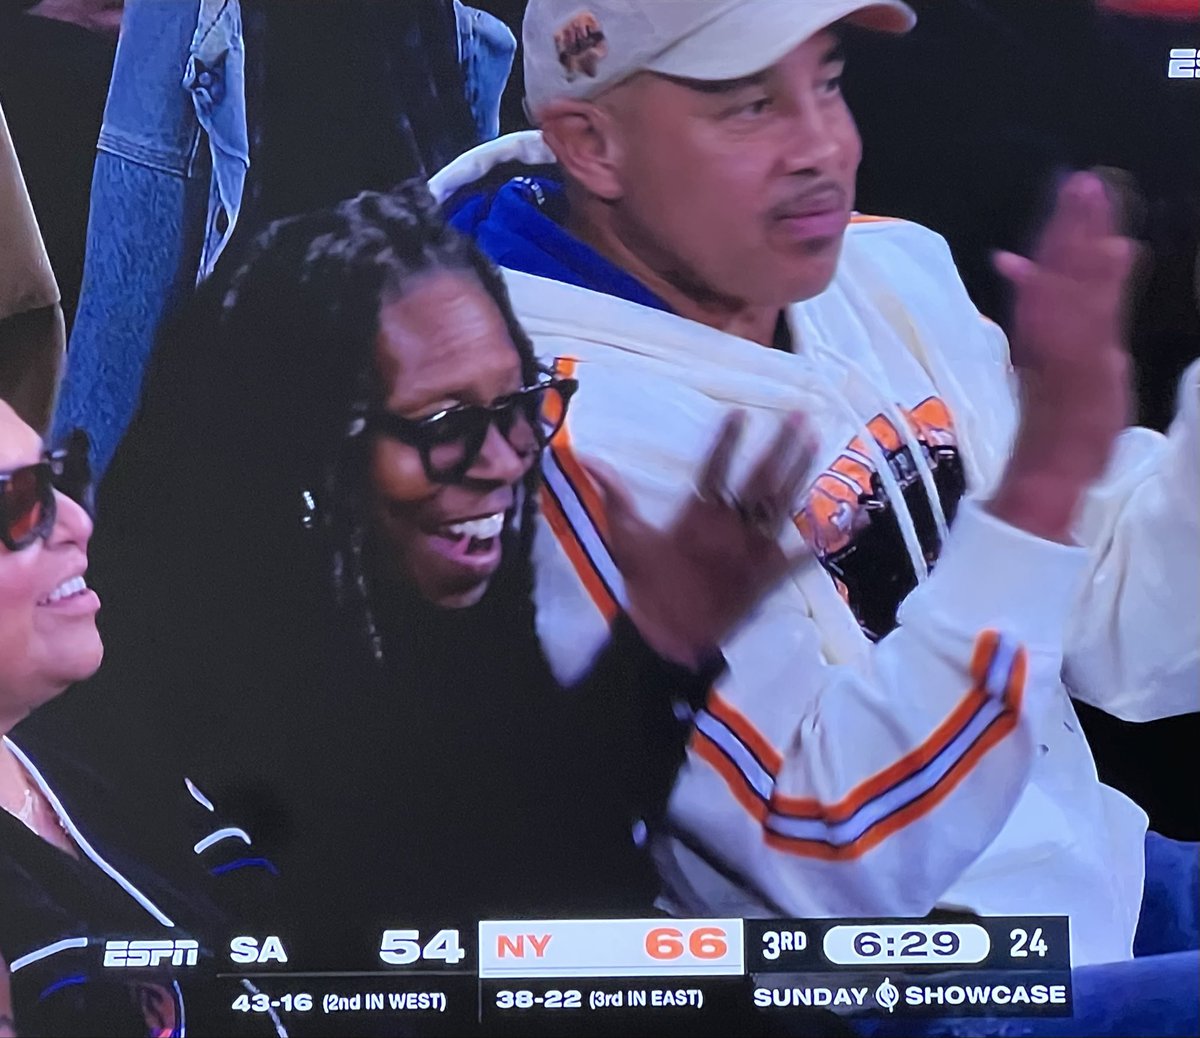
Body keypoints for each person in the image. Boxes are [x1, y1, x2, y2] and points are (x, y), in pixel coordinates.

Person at [429, 0, 1199, 1027]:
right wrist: (1041, 487)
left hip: (1102, 876)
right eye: (750, 106)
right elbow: (823, 868)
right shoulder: (523, 442)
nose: (825, 148)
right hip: (892, 990)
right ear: (593, 144)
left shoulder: (884, 265)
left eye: (826, 84)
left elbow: (1131, 642)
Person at [67, 181, 822, 987]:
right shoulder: (170, 692)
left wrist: (661, 646)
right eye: (446, 424)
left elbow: (540, 868)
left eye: (519, 404)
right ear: (310, 446)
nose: (504, 462)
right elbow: (382, 951)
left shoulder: (447, 590)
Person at [0, 405, 274, 1037]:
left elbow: (302, 944)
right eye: (18, 503)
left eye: (59, 478)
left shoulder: (105, 742)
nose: (78, 522)